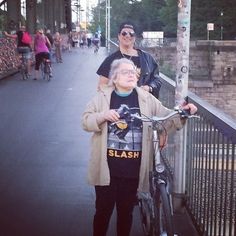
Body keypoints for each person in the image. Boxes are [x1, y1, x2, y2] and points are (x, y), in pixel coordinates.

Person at [82, 58, 197, 236]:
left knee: (125, 213)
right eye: (125, 72)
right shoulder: (102, 97)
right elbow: (86, 121)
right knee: (103, 212)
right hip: (107, 169)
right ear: (114, 77)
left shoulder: (146, 98)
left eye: (133, 71)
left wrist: (184, 112)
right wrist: (103, 115)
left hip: (132, 170)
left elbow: (165, 118)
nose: (132, 74)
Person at [97, 22, 162, 98]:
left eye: (131, 33)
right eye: (124, 33)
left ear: (135, 37)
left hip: (143, 104)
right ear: (119, 36)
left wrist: (149, 87)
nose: (128, 36)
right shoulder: (110, 60)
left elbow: (157, 80)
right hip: (120, 106)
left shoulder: (147, 58)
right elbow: (101, 87)